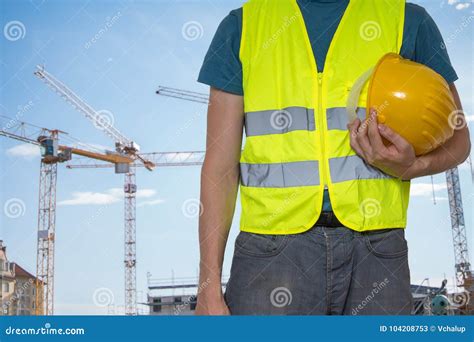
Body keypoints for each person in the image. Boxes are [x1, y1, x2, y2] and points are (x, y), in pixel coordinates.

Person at [195, 0, 471, 315]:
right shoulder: (241, 28)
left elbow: (458, 138)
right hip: (270, 253)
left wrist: (413, 166)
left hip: (377, 250)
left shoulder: (407, 21)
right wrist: (208, 287)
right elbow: (219, 167)